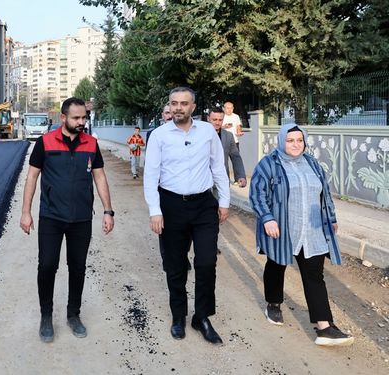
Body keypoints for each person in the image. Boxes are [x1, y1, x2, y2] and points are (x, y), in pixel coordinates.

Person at [249, 123, 354, 347]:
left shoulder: (313, 163)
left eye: (299, 140)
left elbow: (325, 193)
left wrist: (332, 219)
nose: (296, 145)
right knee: (277, 266)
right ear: (281, 141)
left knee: (314, 276)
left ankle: (324, 327)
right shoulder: (269, 164)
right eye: (290, 140)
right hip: (283, 229)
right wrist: (267, 218)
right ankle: (274, 303)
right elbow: (257, 194)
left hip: (313, 231)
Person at [20, 97, 114, 343]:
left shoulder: (91, 144)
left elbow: (100, 177)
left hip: (81, 219)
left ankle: (73, 314)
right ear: (63, 118)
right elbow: (32, 178)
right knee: (48, 266)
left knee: (78, 267)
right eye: (76, 118)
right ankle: (46, 315)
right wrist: (26, 212)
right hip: (51, 217)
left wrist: (108, 210)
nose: (81, 122)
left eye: (84, 118)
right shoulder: (45, 142)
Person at [144, 87, 229, 345]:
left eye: (184, 103)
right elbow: (150, 175)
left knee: (206, 262)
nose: (178, 107)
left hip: (204, 205)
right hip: (171, 205)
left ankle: (201, 316)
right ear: (169, 106)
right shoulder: (159, 136)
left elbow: (217, 166)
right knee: (175, 265)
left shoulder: (206, 132)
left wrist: (224, 201)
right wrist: (155, 210)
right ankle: (178, 316)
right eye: (174, 103)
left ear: (193, 107)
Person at [208, 107, 247, 188]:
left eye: (220, 120)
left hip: (222, 181)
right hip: (202, 182)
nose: (217, 123)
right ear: (208, 118)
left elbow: (236, 157)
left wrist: (241, 176)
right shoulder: (199, 135)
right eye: (214, 120)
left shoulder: (228, 136)